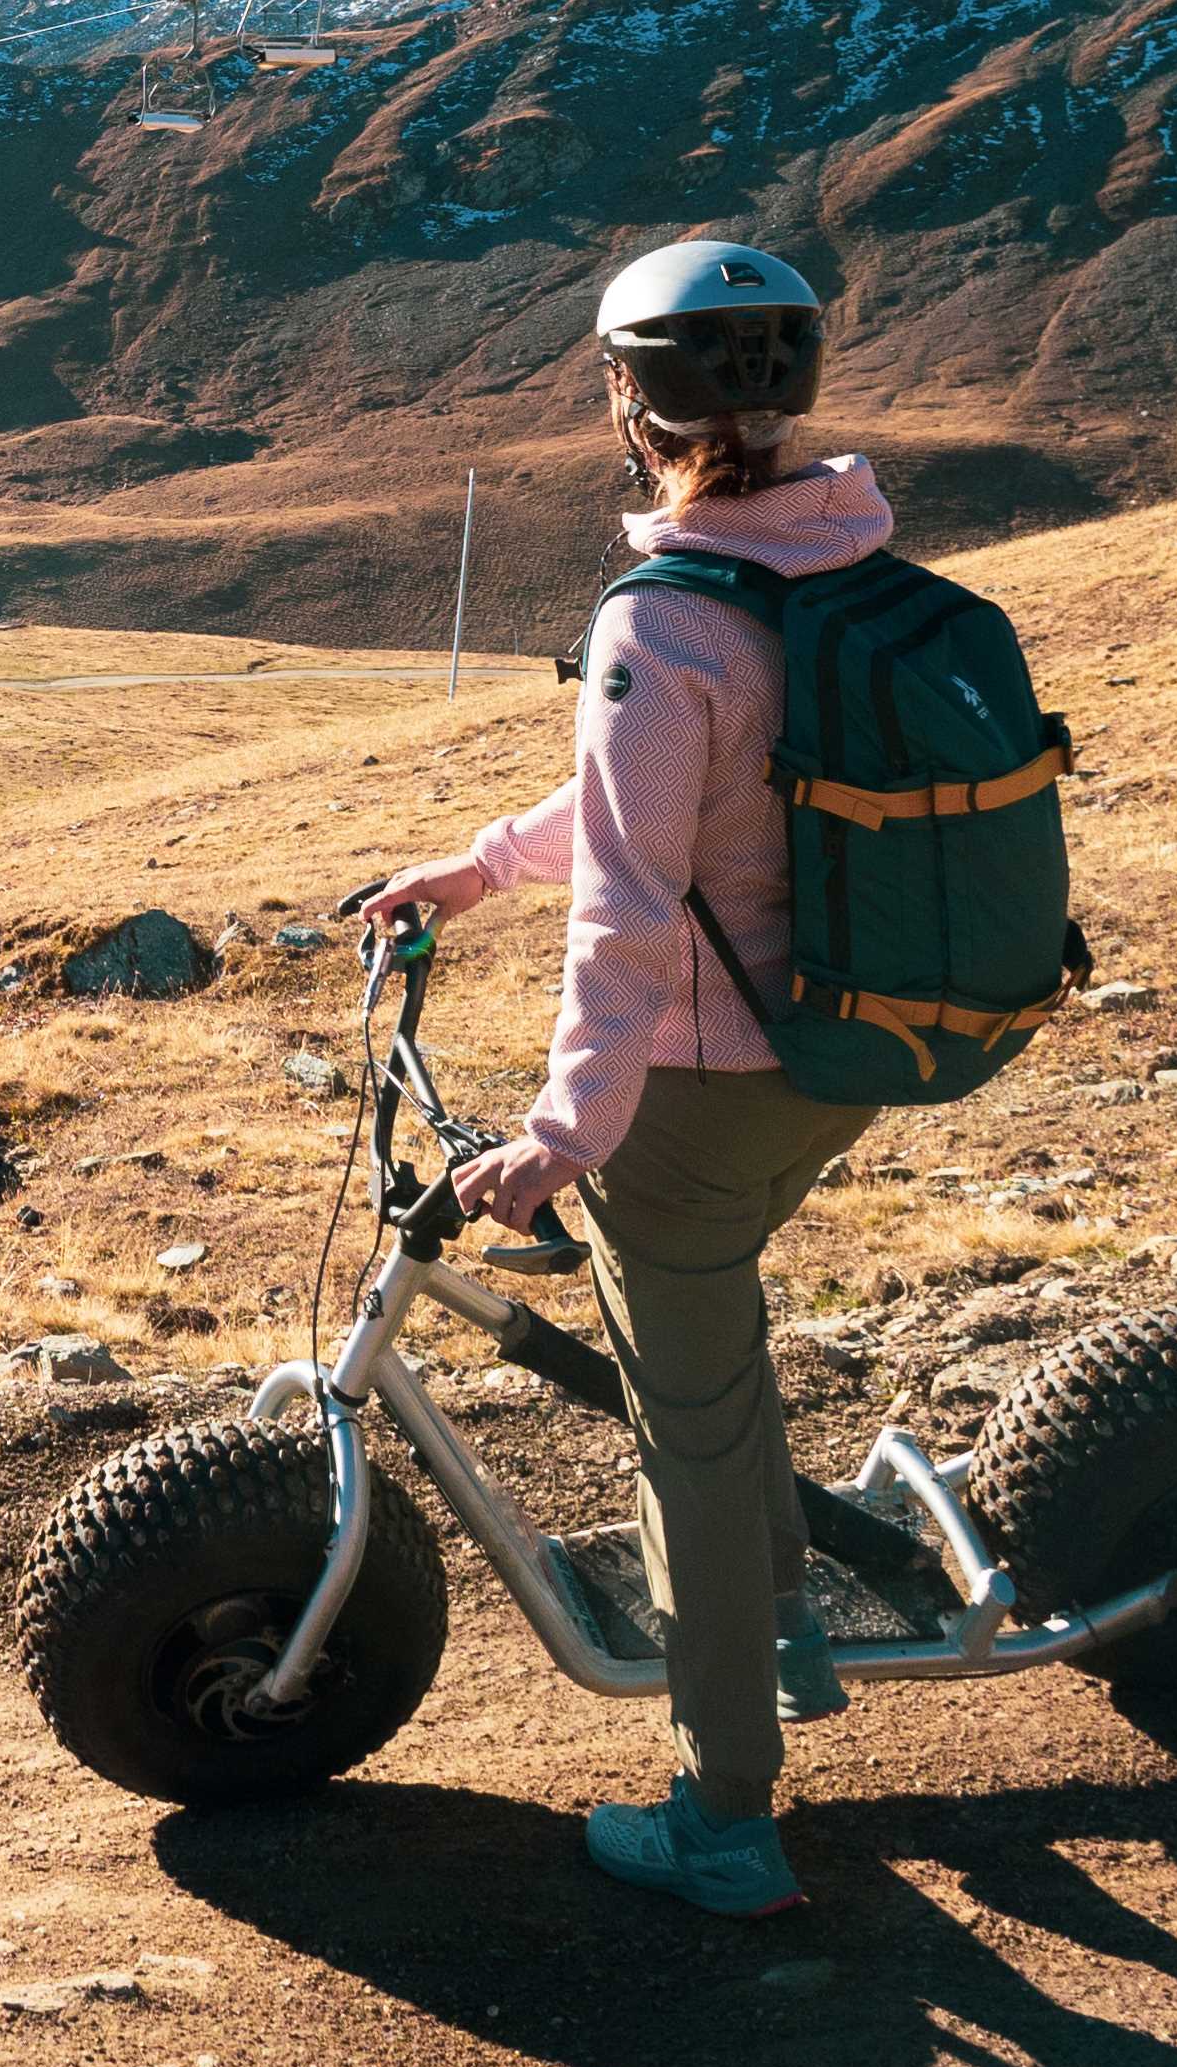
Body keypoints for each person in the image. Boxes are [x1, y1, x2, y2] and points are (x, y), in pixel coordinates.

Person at [340, 236, 888, 1916]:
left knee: (692, 1428)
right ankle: (783, 1622)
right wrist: (477, 866)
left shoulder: (665, 617)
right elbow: (668, 799)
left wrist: (566, 1135)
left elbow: (634, 905)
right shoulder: (841, 556)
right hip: (847, 1046)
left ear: (626, 401)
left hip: (706, 1085)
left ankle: (727, 1817)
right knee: (714, 1341)